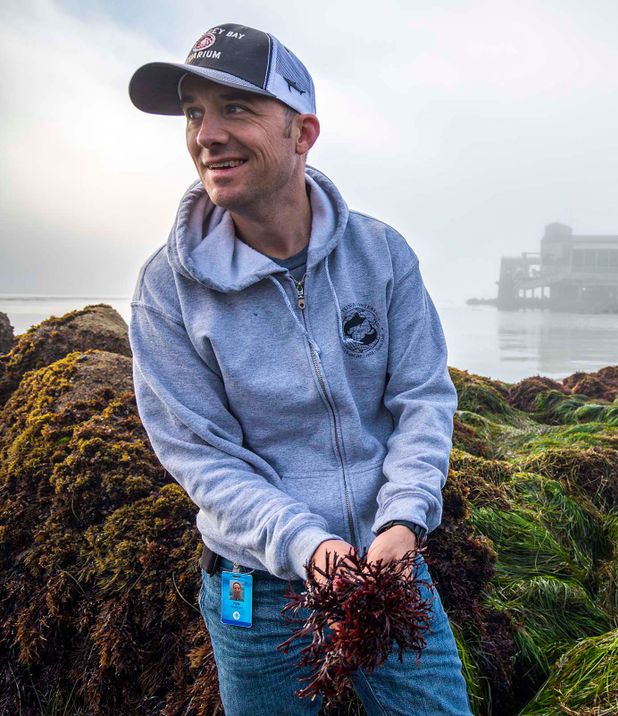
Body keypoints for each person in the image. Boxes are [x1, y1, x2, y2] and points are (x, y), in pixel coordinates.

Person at [126, 23, 470, 715]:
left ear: (303, 133)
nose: (206, 134)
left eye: (237, 109)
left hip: (389, 565)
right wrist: (308, 546)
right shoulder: (168, 289)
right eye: (195, 113)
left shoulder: (382, 254)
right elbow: (201, 458)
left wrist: (403, 522)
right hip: (255, 586)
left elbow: (424, 399)